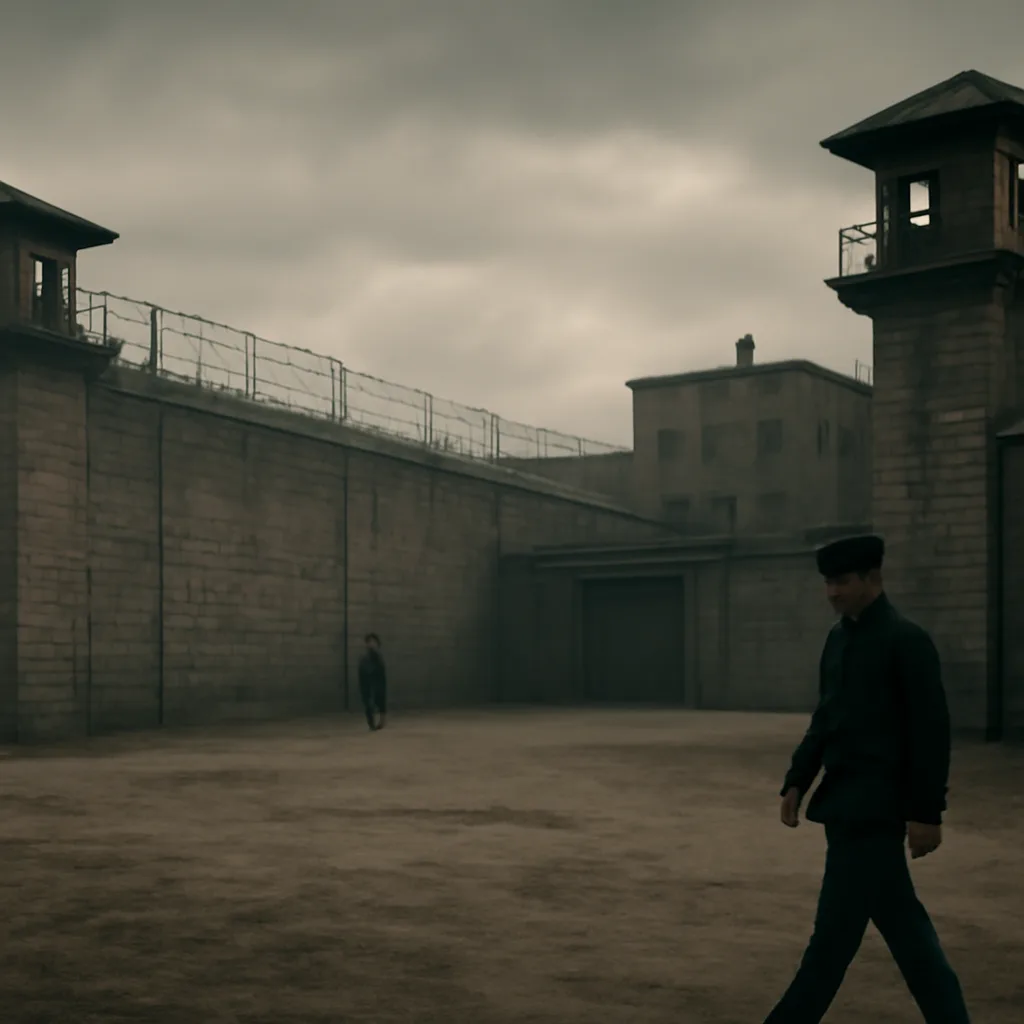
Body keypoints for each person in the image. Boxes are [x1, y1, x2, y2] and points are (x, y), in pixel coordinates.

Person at [763, 534, 970, 1023]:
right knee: (905, 934)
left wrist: (925, 813)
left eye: (841, 581)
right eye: (827, 583)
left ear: (872, 578)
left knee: (831, 943)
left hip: (877, 812)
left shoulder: (906, 641)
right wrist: (798, 778)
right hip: (844, 807)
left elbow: (930, 733)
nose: (832, 592)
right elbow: (826, 717)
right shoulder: (838, 640)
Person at [357, 632, 388, 732]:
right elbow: (362, 672)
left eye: (373, 642)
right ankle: (372, 723)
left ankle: (381, 721)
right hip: (367, 684)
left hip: (378, 683)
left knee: (380, 702)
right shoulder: (364, 659)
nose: (371, 644)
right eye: (369, 642)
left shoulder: (378, 658)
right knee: (369, 704)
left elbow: (382, 672)